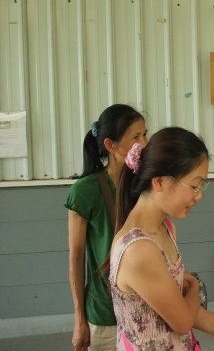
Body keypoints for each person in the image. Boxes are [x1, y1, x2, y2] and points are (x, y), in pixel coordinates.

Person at [109, 127, 214, 351]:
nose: (199, 195)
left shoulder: (164, 228)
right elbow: (183, 320)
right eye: (194, 186)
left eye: (201, 186)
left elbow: (173, 305)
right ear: (160, 182)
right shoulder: (139, 249)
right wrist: (195, 285)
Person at [66, 104, 148, 351]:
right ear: (111, 145)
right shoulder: (85, 191)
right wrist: (80, 318)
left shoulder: (146, 185)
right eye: (136, 137)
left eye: (145, 134)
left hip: (145, 307)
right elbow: (76, 257)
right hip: (104, 312)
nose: (144, 142)